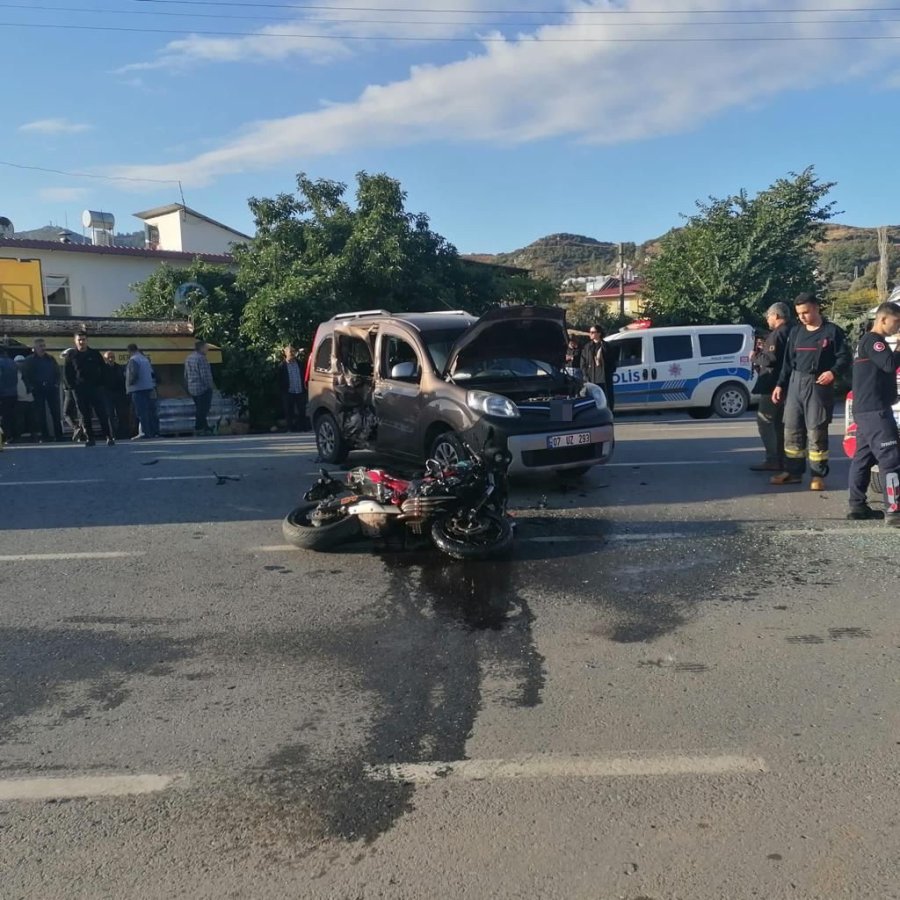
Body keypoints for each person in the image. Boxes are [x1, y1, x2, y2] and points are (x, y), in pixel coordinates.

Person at [771, 292, 851, 490]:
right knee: (792, 429)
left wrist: (833, 373)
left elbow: (844, 357)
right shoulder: (796, 332)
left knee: (816, 431)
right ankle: (792, 472)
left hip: (818, 385)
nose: (802, 317)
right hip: (795, 382)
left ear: (816, 308)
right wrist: (780, 384)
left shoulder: (832, 332)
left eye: (806, 312)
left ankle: (817, 475)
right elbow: (787, 363)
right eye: (799, 313)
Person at [846, 302, 900, 525]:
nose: (897, 327)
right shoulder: (874, 341)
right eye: (896, 322)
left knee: (863, 458)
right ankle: (895, 510)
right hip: (875, 411)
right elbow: (889, 365)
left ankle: (857, 506)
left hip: (868, 409)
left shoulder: (868, 343)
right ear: (883, 319)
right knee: (891, 459)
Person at [749, 302, 792, 471]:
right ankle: (781, 458)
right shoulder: (793, 331)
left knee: (765, 421)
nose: (767, 320)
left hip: (773, 384)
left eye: (768, 316)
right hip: (786, 383)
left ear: (776, 316)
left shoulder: (777, 334)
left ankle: (772, 458)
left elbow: (771, 360)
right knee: (778, 423)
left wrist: (755, 356)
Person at [64, 331, 115, 447]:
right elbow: (67, 373)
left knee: (102, 413)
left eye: (83, 339)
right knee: (84, 415)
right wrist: (72, 387)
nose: (82, 342)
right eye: (79, 339)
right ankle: (90, 438)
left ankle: (109, 436)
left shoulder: (95, 354)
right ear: (75, 341)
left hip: (95, 388)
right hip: (79, 390)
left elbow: (103, 369)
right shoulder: (71, 356)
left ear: (87, 340)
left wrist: (102, 384)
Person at [22, 338, 63, 441]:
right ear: (34, 348)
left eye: (44, 346)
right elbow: (25, 375)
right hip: (37, 388)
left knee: (56, 412)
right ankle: (45, 436)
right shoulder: (29, 360)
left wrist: (56, 384)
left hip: (51, 388)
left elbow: (57, 372)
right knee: (40, 414)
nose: (43, 348)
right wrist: (30, 387)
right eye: (40, 346)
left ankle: (59, 435)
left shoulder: (50, 359)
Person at [580, 324, 618, 413]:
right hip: (592, 377)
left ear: (599, 333)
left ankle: (608, 413)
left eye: (593, 332)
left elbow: (612, 361)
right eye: (590, 332)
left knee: (606, 397)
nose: (590, 334)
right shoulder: (587, 347)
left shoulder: (606, 346)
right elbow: (583, 362)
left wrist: (609, 371)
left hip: (604, 377)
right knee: (592, 398)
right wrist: (585, 374)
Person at [125, 343, 158, 439]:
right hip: (148, 387)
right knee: (148, 411)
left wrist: (129, 382)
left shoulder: (133, 360)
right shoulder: (144, 359)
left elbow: (133, 374)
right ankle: (151, 432)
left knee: (141, 412)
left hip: (137, 389)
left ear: (129, 351)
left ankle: (144, 432)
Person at [184, 340, 215, 435]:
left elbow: (186, 374)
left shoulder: (188, 358)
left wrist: (188, 385)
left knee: (199, 407)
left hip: (192, 387)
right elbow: (204, 375)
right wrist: (210, 386)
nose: (207, 349)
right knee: (203, 409)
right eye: (206, 347)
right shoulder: (201, 358)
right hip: (202, 388)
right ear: (201, 348)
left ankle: (205, 427)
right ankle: (199, 427)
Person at [102, 351, 131, 439]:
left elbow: (124, 380)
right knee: (110, 415)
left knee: (121, 414)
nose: (110, 359)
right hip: (107, 394)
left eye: (112, 357)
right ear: (105, 359)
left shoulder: (119, 368)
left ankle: (122, 434)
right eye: (108, 357)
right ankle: (112, 434)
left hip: (119, 394)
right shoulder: (102, 369)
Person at [278, 344, 306, 431]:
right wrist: (282, 390)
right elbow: (279, 379)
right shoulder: (282, 366)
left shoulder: (299, 364)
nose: (292, 354)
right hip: (288, 391)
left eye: (293, 351)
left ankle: (302, 427)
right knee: (289, 411)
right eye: (290, 352)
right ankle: (290, 428)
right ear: (286, 353)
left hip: (299, 390)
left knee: (302, 410)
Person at [13, 355, 36, 441]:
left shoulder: (28, 372)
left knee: (31, 419)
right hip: (19, 399)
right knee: (20, 420)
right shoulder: (14, 373)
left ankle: (34, 436)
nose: (20, 363)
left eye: (22, 361)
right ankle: (18, 436)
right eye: (19, 362)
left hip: (29, 399)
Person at [0, 349, 19, 442]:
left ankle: (4, 437)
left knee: (3, 417)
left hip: (3, 393)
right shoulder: (12, 362)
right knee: (10, 416)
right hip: (13, 392)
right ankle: (12, 436)